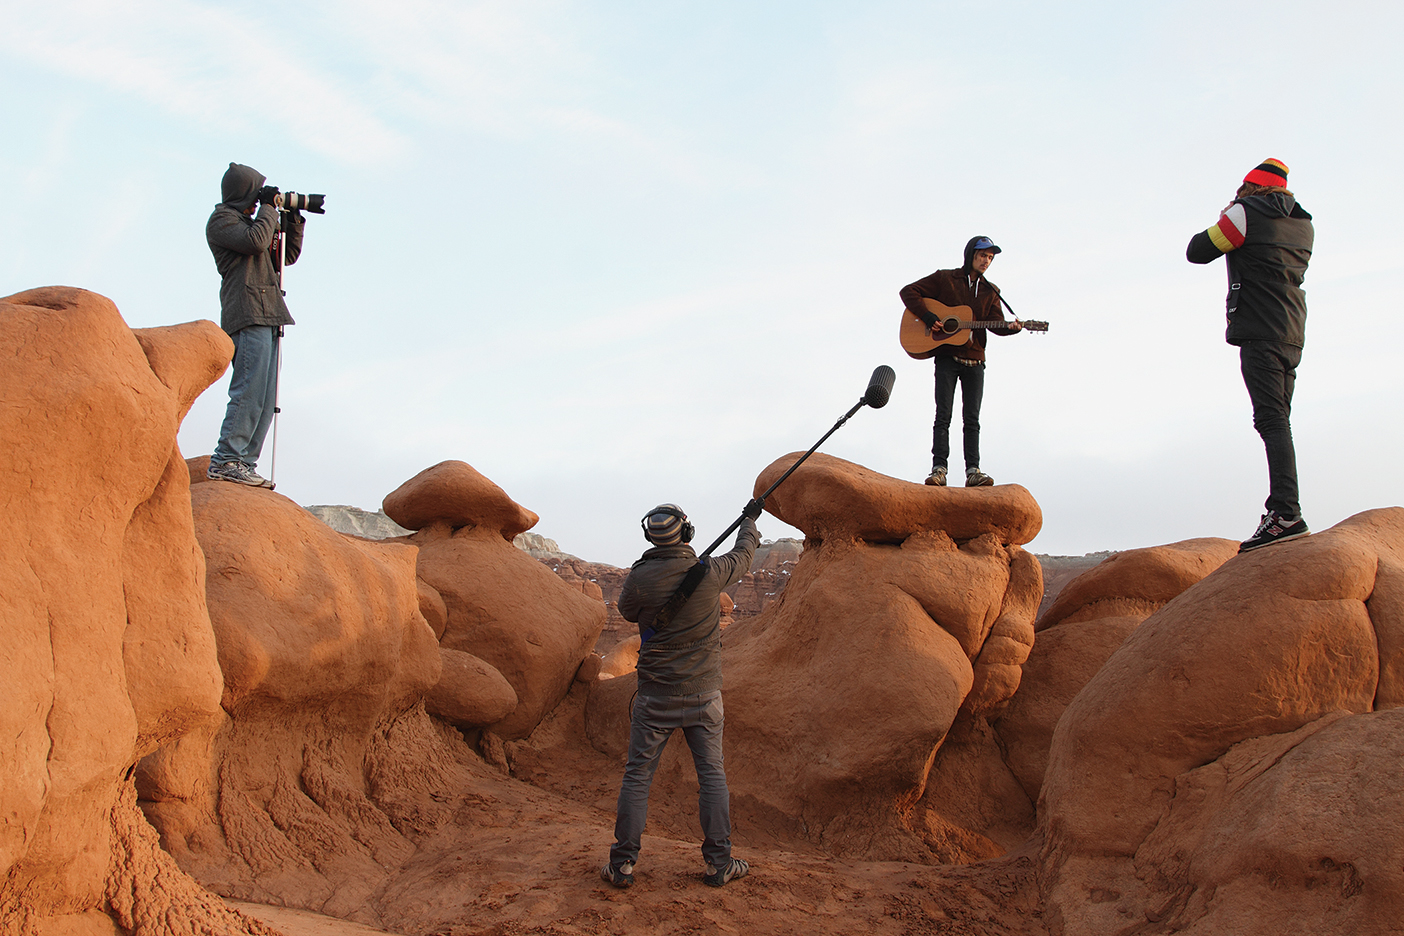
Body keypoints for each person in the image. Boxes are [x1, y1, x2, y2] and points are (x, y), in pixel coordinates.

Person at [601, 500, 762, 889]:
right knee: (712, 777)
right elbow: (743, 555)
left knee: (637, 777)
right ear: (687, 533)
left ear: (649, 537)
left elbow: (626, 611)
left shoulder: (639, 577)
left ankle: (623, 864)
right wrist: (749, 522)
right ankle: (718, 864)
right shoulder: (708, 572)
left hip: (654, 697)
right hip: (704, 695)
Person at [1187, 158, 1314, 552]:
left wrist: (1227, 215)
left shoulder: (1245, 213)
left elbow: (1198, 250)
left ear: (1249, 187)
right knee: (1280, 420)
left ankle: (1285, 514)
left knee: (1271, 420)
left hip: (1260, 327)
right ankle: (1285, 511)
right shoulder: (1304, 223)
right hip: (1292, 329)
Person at [206, 162, 305, 489]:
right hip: (246, 311)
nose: (257, 202)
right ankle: (225, 460)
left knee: (265, 395)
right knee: (248, 389)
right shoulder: (221, 221)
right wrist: (267, 208)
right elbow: (255, 242)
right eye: (254, 194)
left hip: (268, 312)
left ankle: (244, 462)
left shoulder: (254, 223)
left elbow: (285, 257)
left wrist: (291, 220)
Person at [901, 236, 1022, 487]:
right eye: (982, 255)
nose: (986, 261)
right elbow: (908, 291)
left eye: (990, 257)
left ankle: (973, 472)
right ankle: (939, 470)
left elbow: (996, 323)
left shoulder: (991, 291)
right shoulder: (946, 279)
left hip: (975, 360)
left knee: (972, 419)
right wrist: (928, 316)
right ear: (970, 255)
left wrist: (1012, 328)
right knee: (943, 415)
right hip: (947, 357)